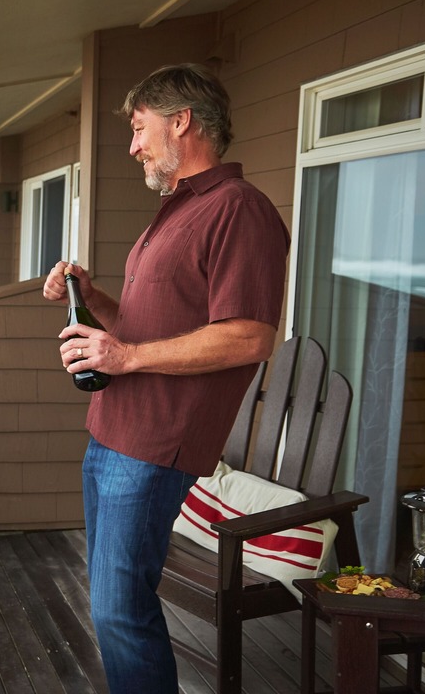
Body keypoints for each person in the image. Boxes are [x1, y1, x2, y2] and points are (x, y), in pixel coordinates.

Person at [42, 63, 290, 693]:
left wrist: (122, 358)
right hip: (112, 432)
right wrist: (91, 297)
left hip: (155, 444)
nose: (133, 145)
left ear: (181, 121)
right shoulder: (173, 212)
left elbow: (250, 335)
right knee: (110, 604)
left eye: (139, 127)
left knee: (121, 609)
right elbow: (141, 329)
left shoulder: (239, 210)